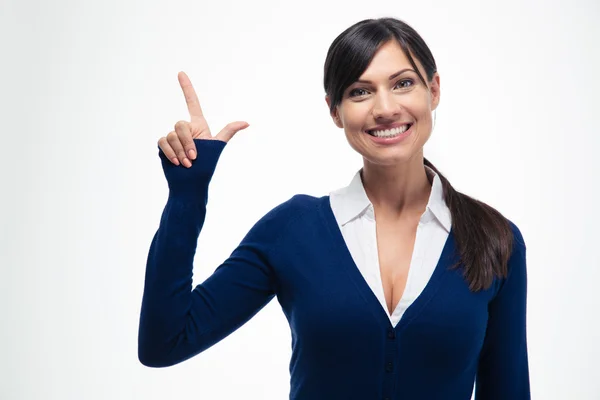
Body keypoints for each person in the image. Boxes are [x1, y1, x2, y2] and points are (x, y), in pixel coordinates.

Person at [138, 17, 530, 400]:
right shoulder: (292, 231)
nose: (385, 108)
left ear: (434, 90)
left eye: (403, 83)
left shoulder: (496, 239)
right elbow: (164, 343)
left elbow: (509, 391)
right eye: (360, 91)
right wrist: (187, 193)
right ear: (334, 111)